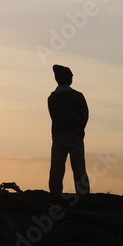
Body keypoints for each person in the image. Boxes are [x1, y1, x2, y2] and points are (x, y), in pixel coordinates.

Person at [48, 64, 90, 196]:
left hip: (58, 134)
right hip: (75, 134)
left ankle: (55, 193)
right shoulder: (77, 96)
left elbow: (53, 116)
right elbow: (85, 115)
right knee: (78, 166)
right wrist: (79, 129)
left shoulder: (52, 98)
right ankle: (82, 193)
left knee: (56, 166)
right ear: (69, 78)